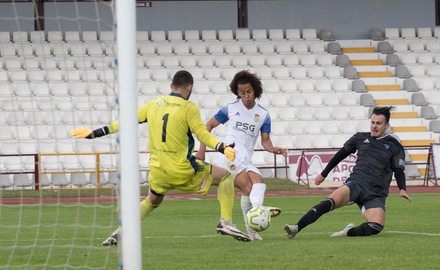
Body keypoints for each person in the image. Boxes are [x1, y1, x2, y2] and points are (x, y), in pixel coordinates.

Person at [71, 70, 252, 245]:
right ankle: (226, 222)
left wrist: (94, 133)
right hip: (183, 170)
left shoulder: (153, 104)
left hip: (158, 172)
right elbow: (201, 133)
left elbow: (125, 120)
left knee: (151, 201)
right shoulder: (189, 107)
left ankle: (119, 232)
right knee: (226, 177)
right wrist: (221, 147)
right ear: (189, 88)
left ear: (171, 85)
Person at [284, 106, 412, 239]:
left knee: (376, 226)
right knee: (329, 202)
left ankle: (349, 231)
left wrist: (402, 189)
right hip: (356, 184)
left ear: (387, 125)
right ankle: (296, 228)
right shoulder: (360, 138)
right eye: (372, 122)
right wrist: (324, 174)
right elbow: (340, 155)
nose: (374, 126)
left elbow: (398, 170)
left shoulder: (394, 146)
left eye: (378, 123)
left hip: (376, 193)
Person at [195, 70, 287, 241]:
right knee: (248, 188)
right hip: (229, 155)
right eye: (242, 93)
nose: (246, 96)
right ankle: (253, 226)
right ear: (237, 93)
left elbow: (265, 141)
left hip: (245, 159)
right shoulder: (230, 109)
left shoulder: (264, 115)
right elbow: (207, 126)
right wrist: (202, 150)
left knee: (259, 182)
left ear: (255, 90)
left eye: (249, 92)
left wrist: (273, 149)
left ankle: (258, 209)